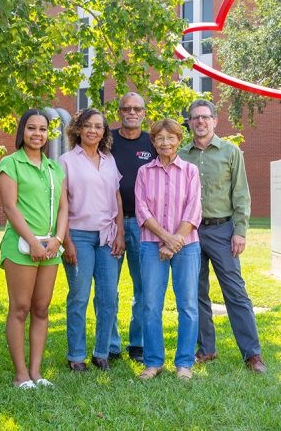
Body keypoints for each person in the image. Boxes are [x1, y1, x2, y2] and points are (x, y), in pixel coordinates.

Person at [178, 99, 267, 373]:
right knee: (196, 292)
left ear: (215, 121)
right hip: (190, 231)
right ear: (189, 123)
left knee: (236, 292)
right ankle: (206, 349)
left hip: (222, 230)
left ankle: (252, 355)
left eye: (205, 117)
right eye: (195, 118)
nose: (200, 122)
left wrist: (240, 231)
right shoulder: (181, 155)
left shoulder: (231, 151)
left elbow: (241, 193)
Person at [0, 109, 68, 389]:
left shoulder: (55, 168)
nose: (37, 134)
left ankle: (36, 373)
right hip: (21, 246)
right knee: (20, 308)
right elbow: (10, 207)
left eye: (42, 129)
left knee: (41, 308)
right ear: (22, 131)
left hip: (50, 247)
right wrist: (33, 242)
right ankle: (20, 375)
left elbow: (63, 207)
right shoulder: (10, 164)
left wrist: (57, 240)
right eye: (31, 128)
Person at [58, 107, 125, 372]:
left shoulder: (109, 159)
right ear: (77, 129)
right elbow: (61, 205)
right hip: (79, 236)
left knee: (108, 297)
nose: (93, 131)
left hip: (108, 237)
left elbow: (117, 197)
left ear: (104, 132)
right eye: (88, 125)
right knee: (79, 297)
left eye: (99, 126)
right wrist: (67, 242)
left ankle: (101, 352)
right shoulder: (65, 161)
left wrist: (120, 231)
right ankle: (76, 355)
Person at [134, 118, 202, 380]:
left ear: (178, 140)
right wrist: (165, 238)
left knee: (187, 304)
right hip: (152, 245)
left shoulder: (190, 171)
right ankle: (154, 362)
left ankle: (184, 363)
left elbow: (194, 208)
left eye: (171, 138)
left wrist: (174, 241)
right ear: (153, 141)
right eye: (160, 138)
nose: (165, 142)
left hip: (187, 245)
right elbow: (142, 208)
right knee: (151, 304)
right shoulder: (144, 172)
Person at [105, 92, 157, 364]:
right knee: (107, 288)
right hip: (111, 223)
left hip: (143, 224)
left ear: (144, 113)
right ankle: (111, 344)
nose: (132, 113)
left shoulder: (152, 142)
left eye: (137, 109)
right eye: (127, 108)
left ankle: (137, 343)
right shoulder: (106, 140)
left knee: (144, 288)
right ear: (120, 111)